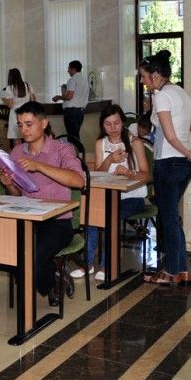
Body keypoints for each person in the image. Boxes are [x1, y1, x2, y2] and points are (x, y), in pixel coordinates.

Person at [0, 101, 84, 306]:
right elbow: (16, 194)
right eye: (20, 125)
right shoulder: (17, 152)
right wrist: (8, 184)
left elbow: (78, 181)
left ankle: (50, 281)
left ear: (44, 123)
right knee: (7, 253)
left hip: (58, 222)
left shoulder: (62, 150)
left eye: (29, 124)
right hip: (28, 219)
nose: (24, 130)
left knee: (32, 259)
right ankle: (53, 275)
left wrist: (39, 166)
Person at [139, 51, 191, 286]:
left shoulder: (163, 96)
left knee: (168, 220)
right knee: (172, 218)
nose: (142, 81)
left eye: (144, 76)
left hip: (168, 163)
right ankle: (183, 270)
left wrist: (189, 154)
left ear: (155, 75)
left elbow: (170, 135)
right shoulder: (180, 92)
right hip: (183, 166)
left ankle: (170, 272)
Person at [73, 105, 149, 281]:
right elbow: (98, 174)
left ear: (123, 122)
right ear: (102, 125)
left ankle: (107, 265)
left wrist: (130, 174)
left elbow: (146, 174)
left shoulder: (135, 142)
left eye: (116, 123)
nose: (113, 128)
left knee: (110, 217)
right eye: (108, 124)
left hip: (132, 197)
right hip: (107, 197)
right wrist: (109, 159)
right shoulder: (101, 143)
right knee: (91, 216)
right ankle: (87, 263)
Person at [52, 60, 89, 140]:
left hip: (71, 112)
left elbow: (69, 97)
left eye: (69, 68)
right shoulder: (85, 80)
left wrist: (58, 97)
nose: (68, 71)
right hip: (80, 112)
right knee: (75, 135)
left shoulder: (72, 79)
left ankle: (75, 148)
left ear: (73, 69)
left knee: (72, 137)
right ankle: (77, 148)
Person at [2, 68, 34, 146]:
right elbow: (33, 100)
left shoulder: (10, 88)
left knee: (16, 138)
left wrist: (3, 98)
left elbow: (10, 104)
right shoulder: (27, 85)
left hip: (15, 114)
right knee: (28, 136)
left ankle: (18, 153)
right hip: (27, 112)